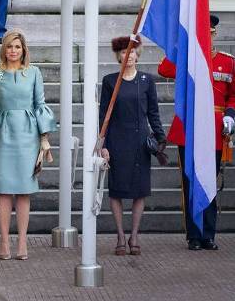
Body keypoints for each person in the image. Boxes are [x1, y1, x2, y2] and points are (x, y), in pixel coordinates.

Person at [0, 30, 56, 260]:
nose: (13, 51)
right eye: (9, 46)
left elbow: (40, 105)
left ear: (24, 49)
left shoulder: (34, 72)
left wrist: (44, 138)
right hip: (2, 134)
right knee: (4, 190)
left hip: (28, 136)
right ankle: (4, 242)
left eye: (17, 47)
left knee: (24, 191)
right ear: (4, 49)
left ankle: (22, 243)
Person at [158, 14, 235, 251]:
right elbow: (164, 68)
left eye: (209, 33)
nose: (207, 37)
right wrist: (183, 43)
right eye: (202, 33)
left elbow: (233, 94)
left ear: (214, 34)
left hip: (214, 129)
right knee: (190, 182)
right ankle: (193, 235)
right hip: (190, 129)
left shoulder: (227, 61)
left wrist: (231, 114)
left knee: (210, 181)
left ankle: (208, 235)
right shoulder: (187, 58)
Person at [99, 36, 166, 256]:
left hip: (140, 143)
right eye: (124, 53)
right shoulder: (110, 81)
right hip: (117, 142)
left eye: (133, 52)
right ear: (119, 56)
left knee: (140, 191)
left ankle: (134, 235)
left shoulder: (147, 80)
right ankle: (119, 235)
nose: (129, 57)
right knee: (116, 190)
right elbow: (103, 117)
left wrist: (160, 137)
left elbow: (154, 113)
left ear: (138, 55)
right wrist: (103, 145)